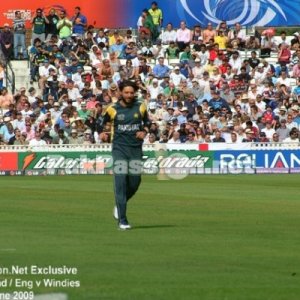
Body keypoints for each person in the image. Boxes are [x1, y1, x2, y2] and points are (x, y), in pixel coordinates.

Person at [102, 80, 150, 230]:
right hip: (119, 149)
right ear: (120, 92)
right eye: (126, 92)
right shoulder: (112, 109)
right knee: (121, 181)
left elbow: (148, 123)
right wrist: (104, 133)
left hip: (135, 149)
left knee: (135, 183)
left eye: (131, 92)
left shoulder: (141, 106)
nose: (129, 95)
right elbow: (105, 124)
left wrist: (145, 131)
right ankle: (123, 220)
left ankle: (120, 204)